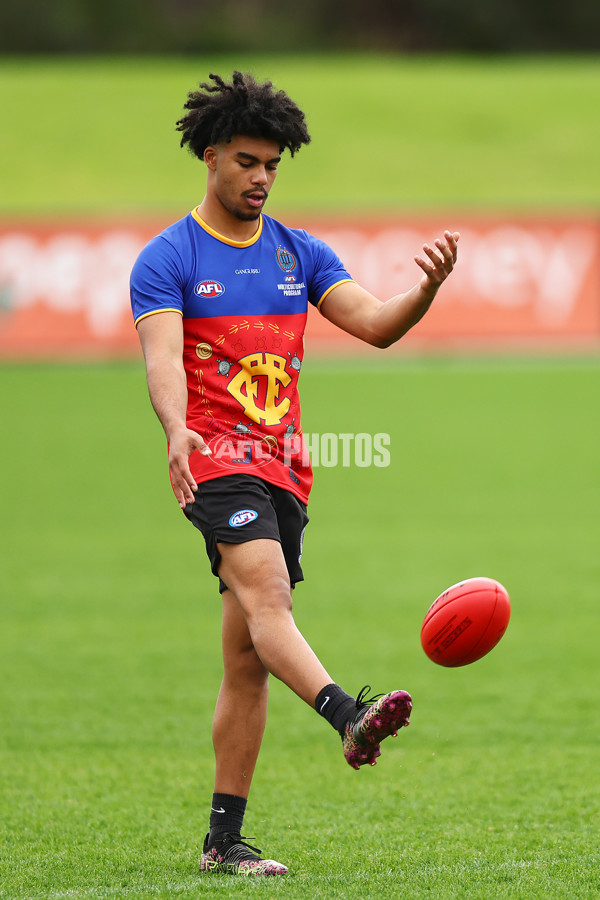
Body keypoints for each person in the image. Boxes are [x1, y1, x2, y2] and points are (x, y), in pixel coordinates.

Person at [130, 70, 459, 877]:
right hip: (215, 461)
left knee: (247, 659)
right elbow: (164, 358)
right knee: (269, 596)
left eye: (273, 165)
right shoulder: (168, 258)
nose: (262, 177)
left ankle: (223, 841)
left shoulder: (297, 253)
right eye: (247, 161)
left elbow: (376, 325)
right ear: (211, 157)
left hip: (284, 471)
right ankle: (350, 714)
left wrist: (424, 291)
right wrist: (177, 431)